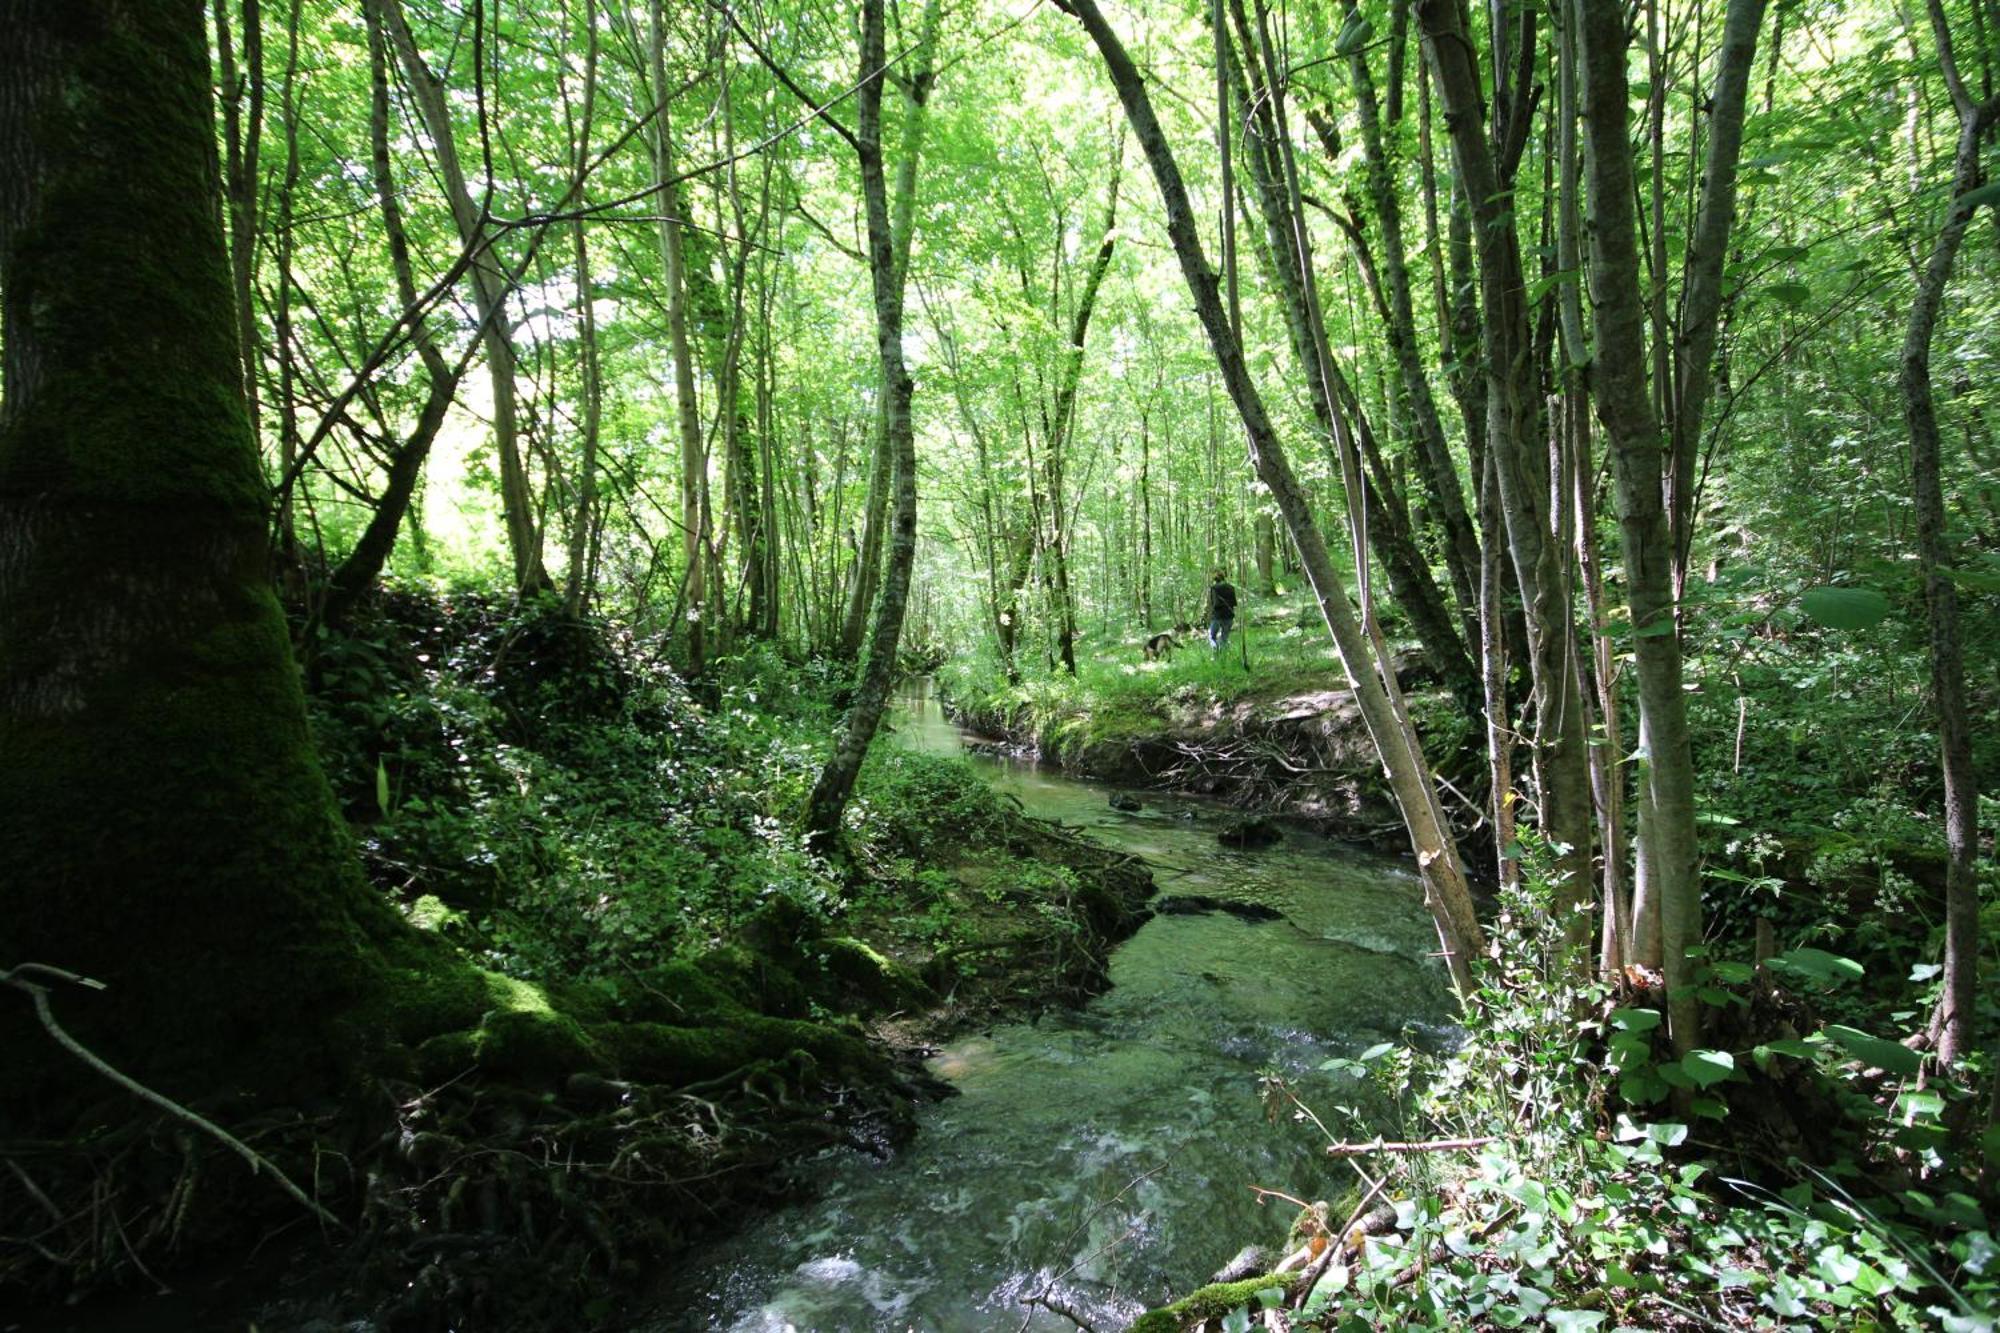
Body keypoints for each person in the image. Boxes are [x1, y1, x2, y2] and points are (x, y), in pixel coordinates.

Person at [1204, 568, 1237, 653]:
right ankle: (1223, 657)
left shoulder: (1214, 588)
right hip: (1229, 616)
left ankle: (1215, 651)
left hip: (1217, 616)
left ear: (1215, 579)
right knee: (1224, 638)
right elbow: (1234, 603)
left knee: (1211, 637)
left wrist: (1210, 613)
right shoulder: (1231, 587)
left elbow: (1214, 603)